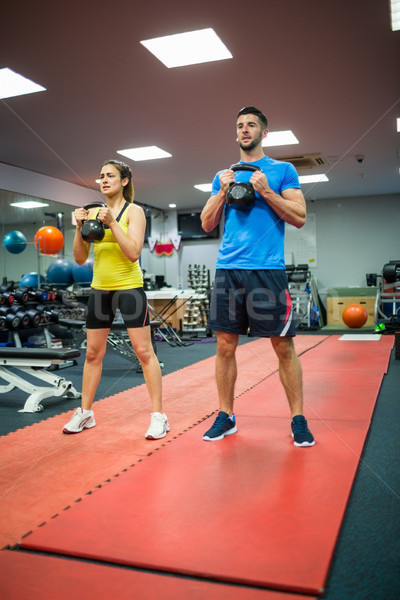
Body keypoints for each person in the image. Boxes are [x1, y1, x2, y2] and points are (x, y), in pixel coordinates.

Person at [200, 106, 314, 447]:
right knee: (224, 345)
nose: (244, 130)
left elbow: (300, 216)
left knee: (283, 346)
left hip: (268, 270)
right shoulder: (224, 175)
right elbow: (206, 223)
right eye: (239, 126)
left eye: (251, 125)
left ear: (264, 132)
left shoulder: (283, 170)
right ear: (235, 133)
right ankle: (226, 415)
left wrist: (265, 191)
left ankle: (298, 418)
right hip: (228, 269)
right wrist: (222, 190)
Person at [63, 159, 169, 440]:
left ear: (124, 181)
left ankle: (159, 416)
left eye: (110, 175)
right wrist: (78, 226)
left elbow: (133, 252)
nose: (104, 180)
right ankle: (85, 412)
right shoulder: (93, 213)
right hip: (100, 290)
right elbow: (79, 257)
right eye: (101, 176)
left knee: (145, 353)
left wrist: (112, 222)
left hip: (129, 288)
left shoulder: (134, 212)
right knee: (94, 354)